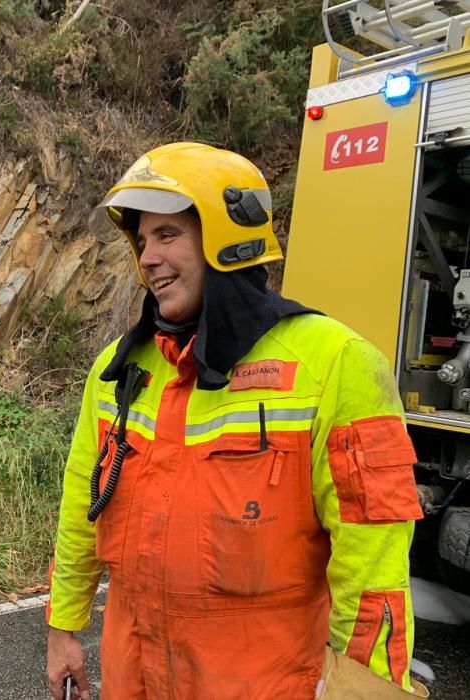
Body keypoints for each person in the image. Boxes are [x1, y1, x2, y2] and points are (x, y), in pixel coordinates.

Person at [44, 142, 425, 699]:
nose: (147, 257)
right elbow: (82, 507)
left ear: (227, 239)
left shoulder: (335, 363)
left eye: (168, 235)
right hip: (136, 679)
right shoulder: (119, 370)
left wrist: (365, 692)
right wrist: (63, 628)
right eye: (143, 240)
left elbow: (373, 571)